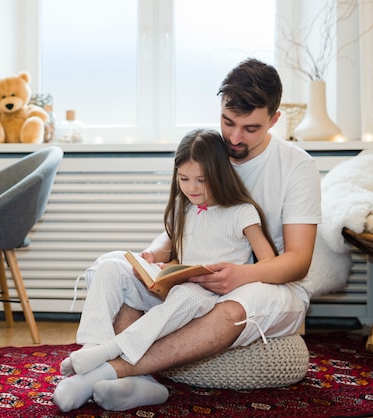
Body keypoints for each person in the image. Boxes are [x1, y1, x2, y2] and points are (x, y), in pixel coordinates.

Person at [54, 58, 322, 412]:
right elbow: (184, 224)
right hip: (196, 278)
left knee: (229, 308)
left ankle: (103, 371)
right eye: (228, 122)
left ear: (274, 119)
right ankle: (139, 381)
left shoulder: (296, 167)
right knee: (114, 267)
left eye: (251, 128)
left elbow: (298, 261)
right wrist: (152, 256)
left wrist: (242, 275)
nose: (236, 137)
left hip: (268, 285)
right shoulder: (211, 151)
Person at [53, 128, 279, 412]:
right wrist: (159, 265)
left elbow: (269, 261)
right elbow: (174, 250)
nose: (192, 188)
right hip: (174, 288)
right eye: (184, 179)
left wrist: (236, 273)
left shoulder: (242, 212)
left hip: (205, 297)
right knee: (111, 267)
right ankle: (92, 348)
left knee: (186, 295)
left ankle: (108, 353)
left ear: (220, 174)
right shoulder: (182, 208)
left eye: (201, 180)